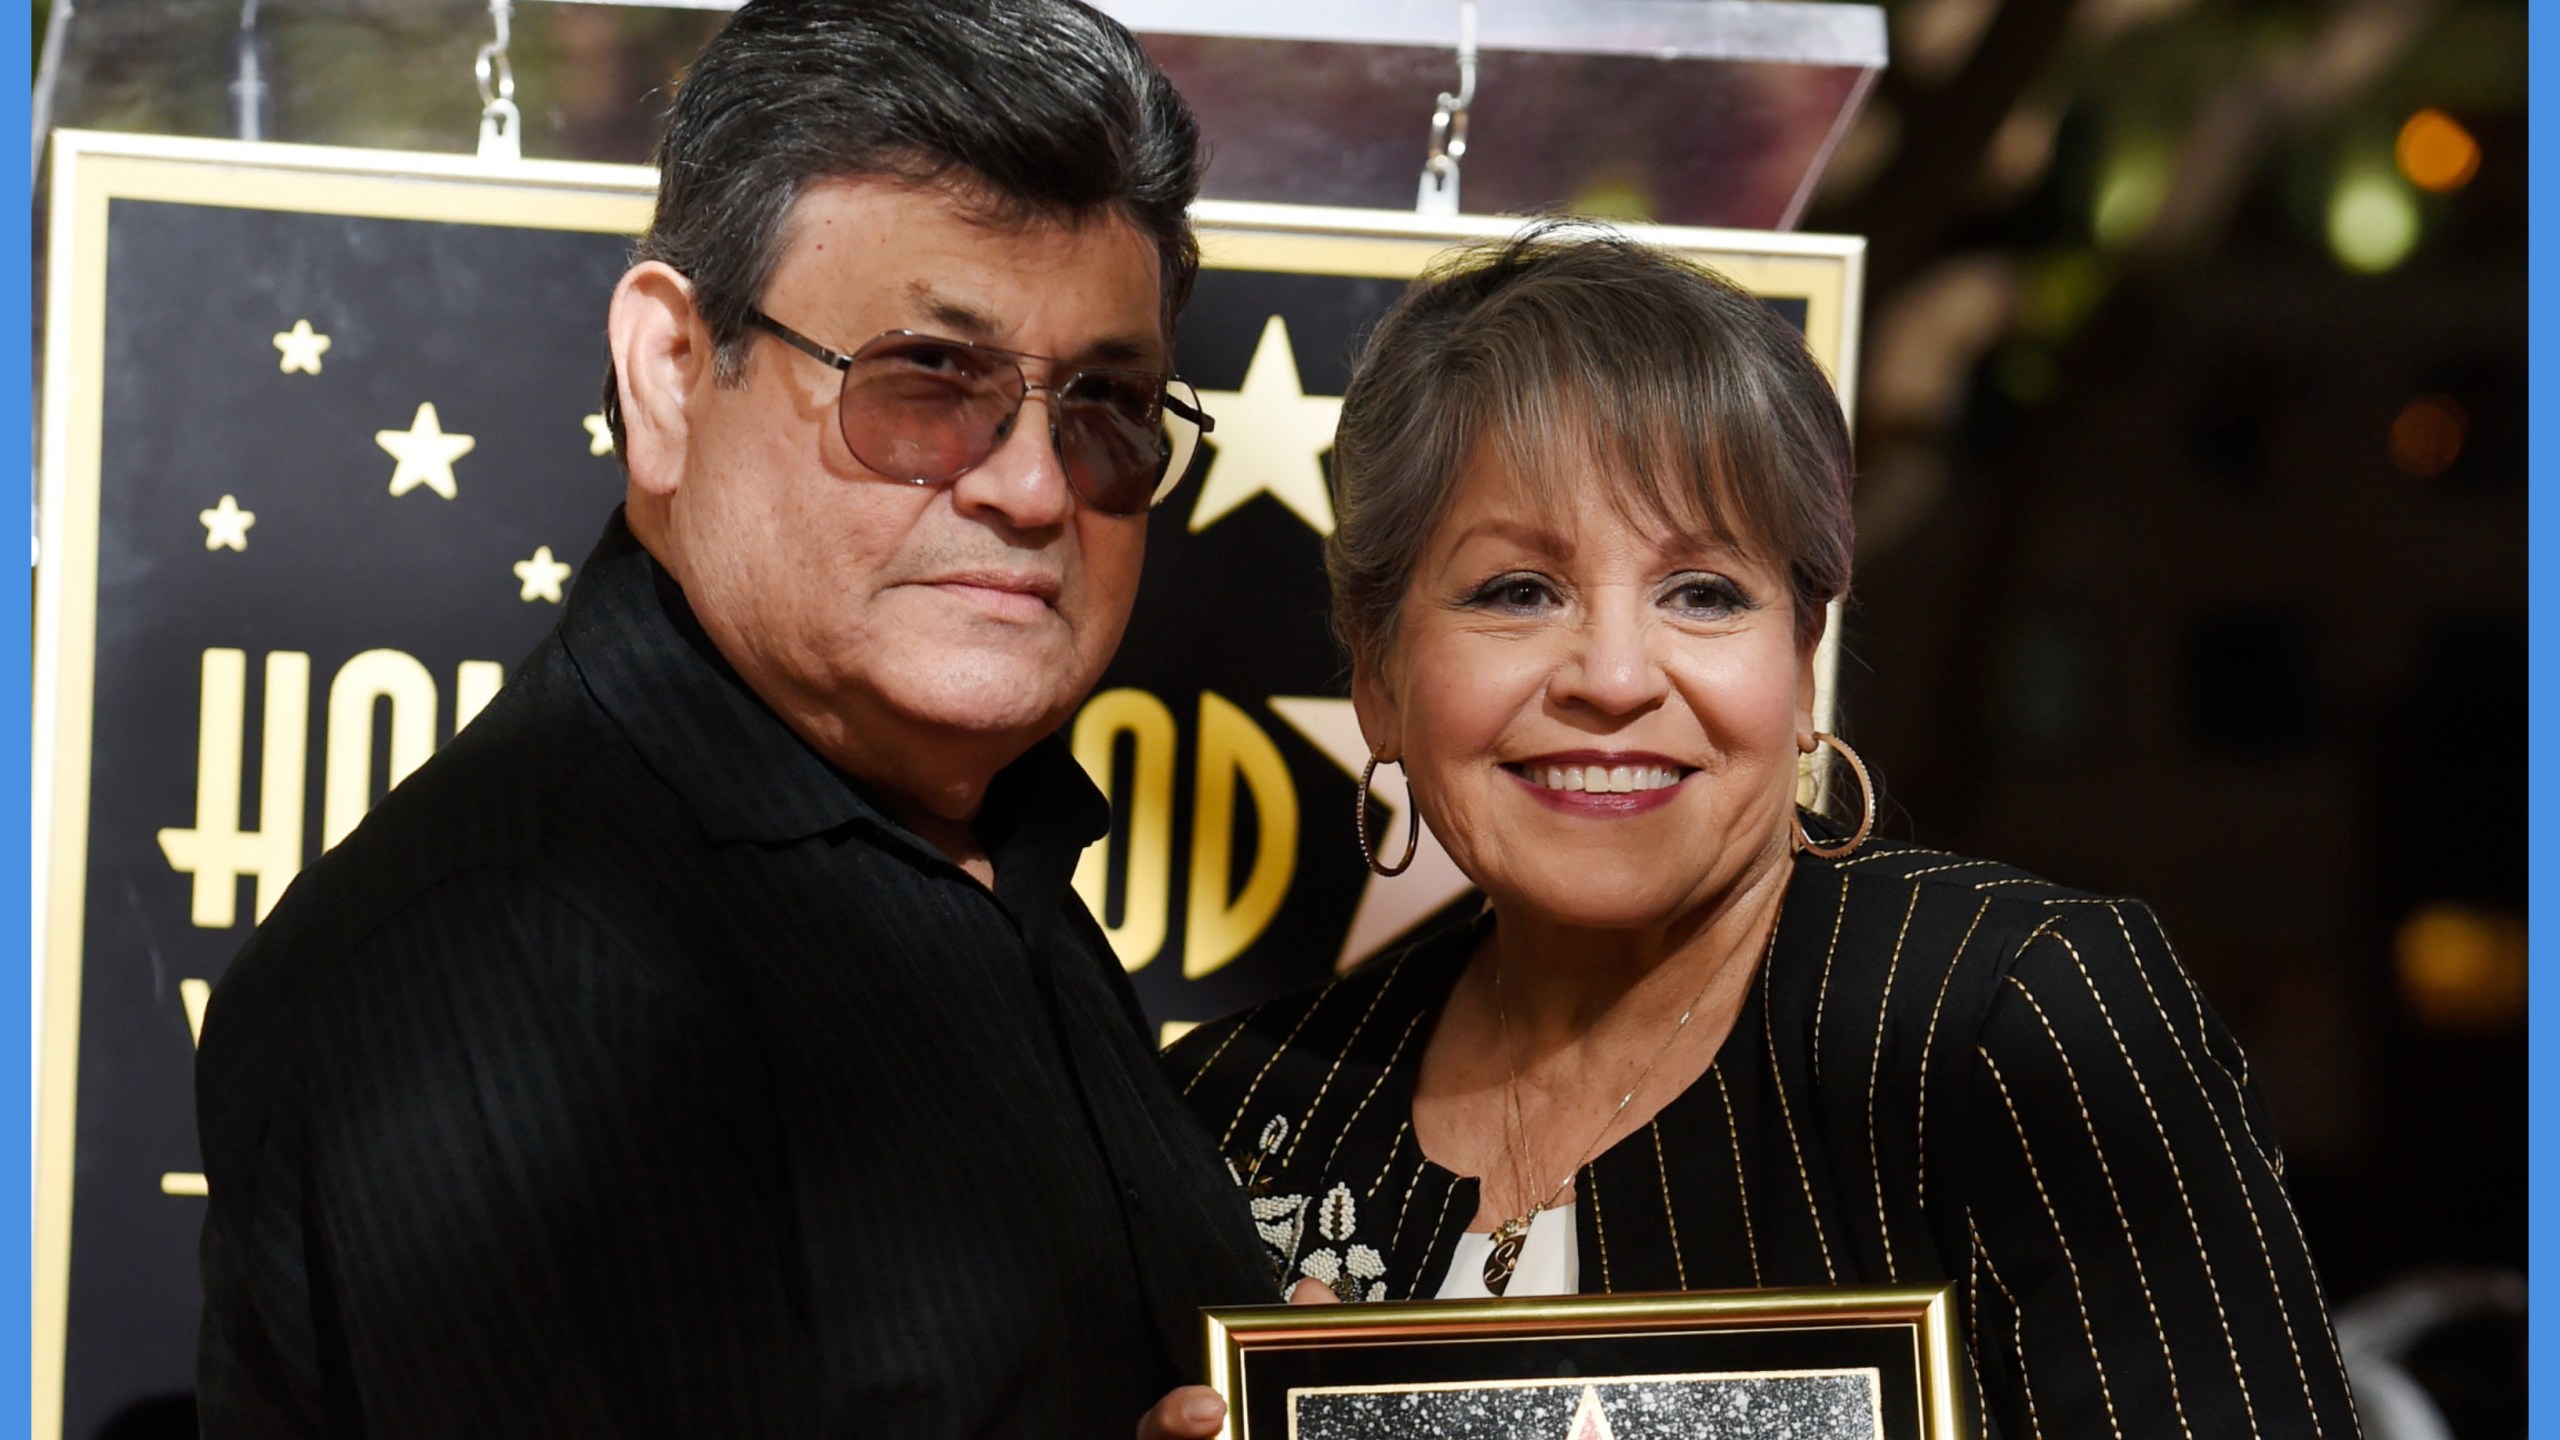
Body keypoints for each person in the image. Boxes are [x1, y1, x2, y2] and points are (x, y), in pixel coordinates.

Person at [193, 2, 1274, 1434]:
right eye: (926, 380)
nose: (1029, 487)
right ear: (670, 374)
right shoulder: (502, 958)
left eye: (1104, 403)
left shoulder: (985, 854)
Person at [1169, 226, 2362, 1438]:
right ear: (1376, 674)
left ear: (1799, 666)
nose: (1614, 678)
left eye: (1702, 593)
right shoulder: (1242, 1111)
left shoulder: (2015, 1015)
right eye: (1518, 592)